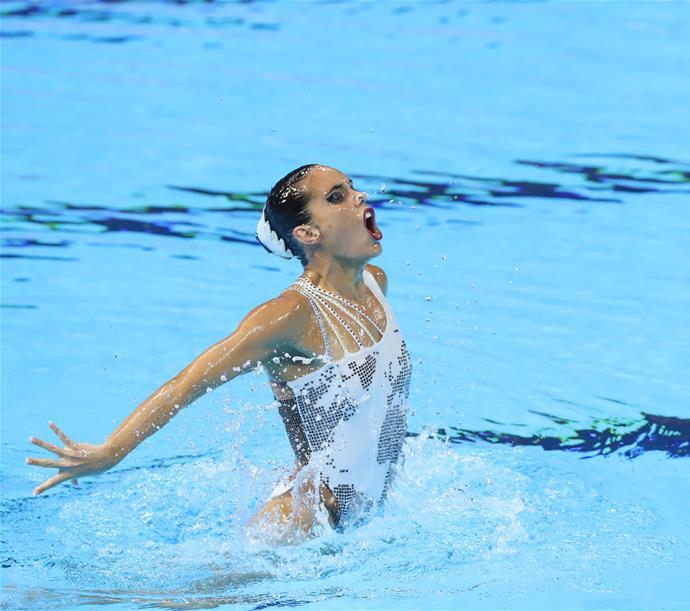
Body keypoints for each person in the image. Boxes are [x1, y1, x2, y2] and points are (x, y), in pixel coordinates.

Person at [25, 164, 414, 540]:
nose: (358, 195)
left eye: (350, 186)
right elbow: (186, 384)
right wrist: (110, 452)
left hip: (362, 514)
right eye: (336, 197)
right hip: (308, 518)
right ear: (308, 232)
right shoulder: (288, 316)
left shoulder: (376, 285)